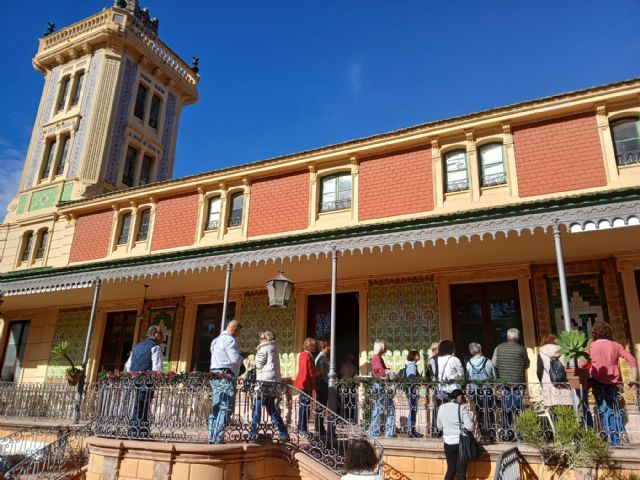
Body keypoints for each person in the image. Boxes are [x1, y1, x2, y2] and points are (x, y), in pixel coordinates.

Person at [584, 320, 639, 447]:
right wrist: (633, 379)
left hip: (597, 381)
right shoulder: (616, 345)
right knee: (613, 407)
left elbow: (581, 364)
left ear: (594, 333)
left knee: (603, 408)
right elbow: (632, 360)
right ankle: (617, 436)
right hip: (613, 381)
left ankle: (611, 439)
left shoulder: (590, 347)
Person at [124, 325, 163, 438]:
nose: (162, 337)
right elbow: (157, 368)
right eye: (160, 334)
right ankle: (142, 431)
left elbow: (128, 365)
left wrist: (133, 376)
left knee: (137, 405)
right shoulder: (155, 347)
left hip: (135, 380)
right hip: (147, 381)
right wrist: (157, 381)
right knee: (144, 405)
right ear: (155, 334)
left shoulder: (137, 346)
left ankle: (133, 430)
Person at [208, 320, 244, 444]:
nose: (237, 334)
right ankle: (218, 437)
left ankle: (211, 436)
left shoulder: (216, 340)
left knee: (216, 405)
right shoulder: (230, 340)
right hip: (226, 375)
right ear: (234, 329)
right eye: (238, 331)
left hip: (214, 373)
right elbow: (234, 359)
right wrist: (243, 358)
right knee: (226, 407)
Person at [249, 330, 289, 441]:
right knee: (272, 409)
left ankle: (253, 433)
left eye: (262, 338)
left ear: (267, 339)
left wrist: (251, 362)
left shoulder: (264, 348)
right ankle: (283, 432)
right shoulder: (275, 349)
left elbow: (259, 364)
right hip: (272, 384)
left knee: (257, 408)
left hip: (263, 383)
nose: (260, 340)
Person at [492, 328, 529, 441]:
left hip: (505, 384)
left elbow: (494, 364)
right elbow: (527, 364)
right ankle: (520, 433)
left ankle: (507, 433)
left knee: (506, 408)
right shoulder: (522, 349)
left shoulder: (499, 348)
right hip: (518, 383)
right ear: (517, 337)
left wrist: (497, 379)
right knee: (519, 408)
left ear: (508, 337)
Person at [436, 388, 473, 480]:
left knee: (451, 469)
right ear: (459, 397)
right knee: (461, 471)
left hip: (447, 442)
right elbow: (469, 427)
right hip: (460, 442)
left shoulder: (442, 407)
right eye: (462, 397)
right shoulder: (461, 408)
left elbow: (439, 426)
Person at [430, 340, 464, 436]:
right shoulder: (454, 359)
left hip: (442, 388)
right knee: (454, 411)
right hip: (452, 389)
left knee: (443, 410)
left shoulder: (439, 359)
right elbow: (461, 374)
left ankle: (441, 430)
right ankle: (453, 430)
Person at [465, 342, 496, 442]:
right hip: (487, 390)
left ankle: (483, 434)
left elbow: (468, 379)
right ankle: (492, 434)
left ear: (471, 351)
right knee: (490, 411)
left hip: (476, 391)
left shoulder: (468, 364)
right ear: (480, 350)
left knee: (479, 412)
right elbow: (495, 376)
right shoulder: (488, 361)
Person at [368, 340, 396, 438]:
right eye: (383, 347)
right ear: (380, 347)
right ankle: (375, 431)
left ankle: (389, 431)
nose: (385, 348)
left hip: (381, 385)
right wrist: (388, 373)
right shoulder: (377, 358)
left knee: (388, 407)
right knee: (380, 408)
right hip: (381, 385)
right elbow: (381, 372)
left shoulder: (378, 358)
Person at [536, 334, 572, 408]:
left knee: (553, 414)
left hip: (549, 388)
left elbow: (539, 371)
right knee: (567, 413)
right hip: (565, 386)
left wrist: (541, 383)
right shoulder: (564, 352)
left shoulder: (541, 353)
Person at [294, 337, 317, 436]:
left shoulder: (305, 355)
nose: (315, 348)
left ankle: (302, 429)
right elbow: (306, 372)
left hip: (305, 384)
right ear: (310, 346)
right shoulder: (306, 355)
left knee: (305, 407)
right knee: (304, 407)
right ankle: (301, 430)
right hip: (305, 385)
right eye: (313, 346)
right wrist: (311, 385)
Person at [405, 350, 424, 438]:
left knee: (413, 410)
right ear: (414, 356)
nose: (419, 356)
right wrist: (419, 380)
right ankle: (411, 431)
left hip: (412, 391)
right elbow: (411, 377)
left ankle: (411, 430)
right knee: (413, 410)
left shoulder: (411, 365)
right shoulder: (411, 366)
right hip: (411, 391)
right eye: (417, 355)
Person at [315, 339, 330, 435]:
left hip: (324, 382)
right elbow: (320, 372)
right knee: (320, 406)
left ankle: (320, 427)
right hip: (322, 383)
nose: (329, 348)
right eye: (328, 346)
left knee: (322, 406)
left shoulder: (323, 357)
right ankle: (319, 428)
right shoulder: (321, 357)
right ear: (324, 347)